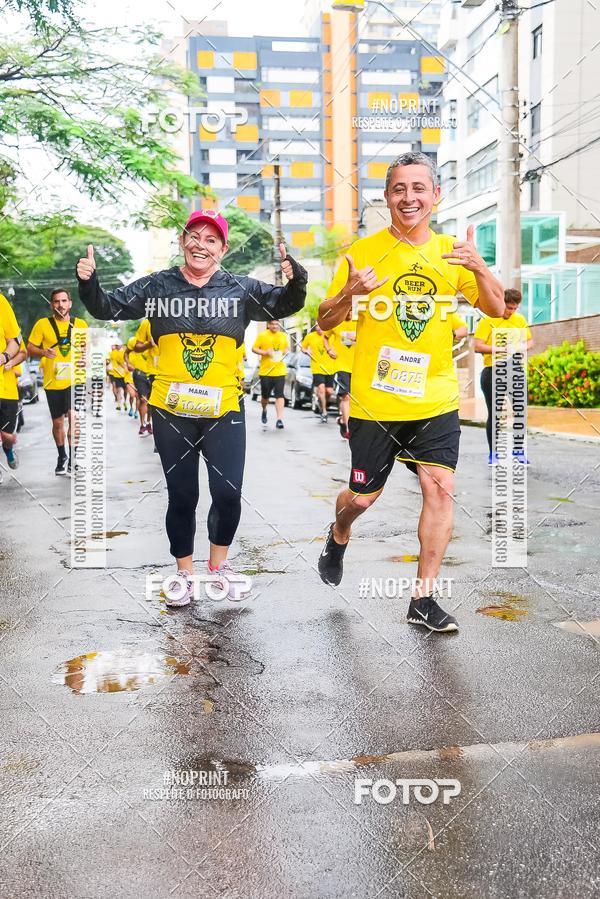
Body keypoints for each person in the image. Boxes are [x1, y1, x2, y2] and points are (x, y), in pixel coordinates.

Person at [76, 209, 307, 607]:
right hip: (172, 409)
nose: (201, 244)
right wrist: (88, 282)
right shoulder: (158, 286)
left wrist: (296, 277)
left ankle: (219, 567)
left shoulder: (239, 288)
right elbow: (107, 308)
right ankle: (184, 572)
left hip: (224, 408)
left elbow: (284, 304)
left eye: (211, 239)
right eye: (194, 236)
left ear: (223, 248)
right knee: (182, 495)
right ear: (183, 241)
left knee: (228, 491)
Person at [316, 151, 504, 633]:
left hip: (435, 399)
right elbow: (324, 320)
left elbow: (497, 308)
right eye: (400, 188)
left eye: (419, 188)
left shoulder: (452, 253)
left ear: (436, 196)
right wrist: (348, 293)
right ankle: (338, 534)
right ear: (387, 197)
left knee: (439, 489)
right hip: (376, 404)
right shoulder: (362, 252)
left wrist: (481, 268)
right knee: (361, 499)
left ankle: (423, 598)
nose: (409, 197)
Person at [27, 289, 88, 475]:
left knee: (74, 418)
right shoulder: (43, 325)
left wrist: (85, 358)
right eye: (56, 301)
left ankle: (74, 459)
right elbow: (30, 348)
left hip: (75, 380)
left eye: (64, 301)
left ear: (70, 303)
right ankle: (62, 456)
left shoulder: (80, 324)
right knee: (58, 423)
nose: (60, 305)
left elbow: (86, 349)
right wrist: (43, 352)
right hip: (52, 382)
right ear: (51, 304)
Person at [474, 288, 532, 465]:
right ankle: (494, 454)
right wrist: (500, 349)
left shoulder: (519, 320)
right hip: (493, 370)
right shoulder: (488, 320)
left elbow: (530, 341)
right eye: (508, 308)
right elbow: (477, 346)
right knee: (496, 413)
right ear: (502, 304)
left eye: (514, 308)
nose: (511, 312)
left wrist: (519, 347)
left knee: (521, 411)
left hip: (515, 370)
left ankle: (518, 452)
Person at [0, 293, 22, 484]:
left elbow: (14, 341)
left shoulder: (1, 301)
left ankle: (7, 447)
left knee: (7, 435)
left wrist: (5, 356)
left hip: (5, 387)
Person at [252, 319, 290, 429]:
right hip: (266, 371)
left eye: (277, 324)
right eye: (272, 324)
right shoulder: (262, 336)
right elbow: (253, 348)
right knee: (265, 396)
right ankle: (264, 409)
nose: (275, 326)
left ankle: (279, 419)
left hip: (279, 370)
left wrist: (286, 351)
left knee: (279, 395)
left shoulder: (283, 336)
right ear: (268, 325)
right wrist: (264, 352)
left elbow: (286, 348)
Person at [324, 314, 357, 440]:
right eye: (347, 311)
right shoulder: (336, 322)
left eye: (351, 311)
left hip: (356, 367)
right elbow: (325, 338)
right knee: (346, 396)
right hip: (340, 366)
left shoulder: (359, 322)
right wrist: (329, 350)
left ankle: (343, 421)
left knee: (354, 400)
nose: (349, 313)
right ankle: (349, 429)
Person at [301, 324, 336, 423]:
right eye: (317, 326)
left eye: (321, 326)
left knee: (329, 391)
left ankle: (322, 403)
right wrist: (306, 351)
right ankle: (324, 412)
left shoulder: (331, 335)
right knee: (321, 389)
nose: (319, 328)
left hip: (330, 368)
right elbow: (303, 348)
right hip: (317, 367)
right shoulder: (310, 336)